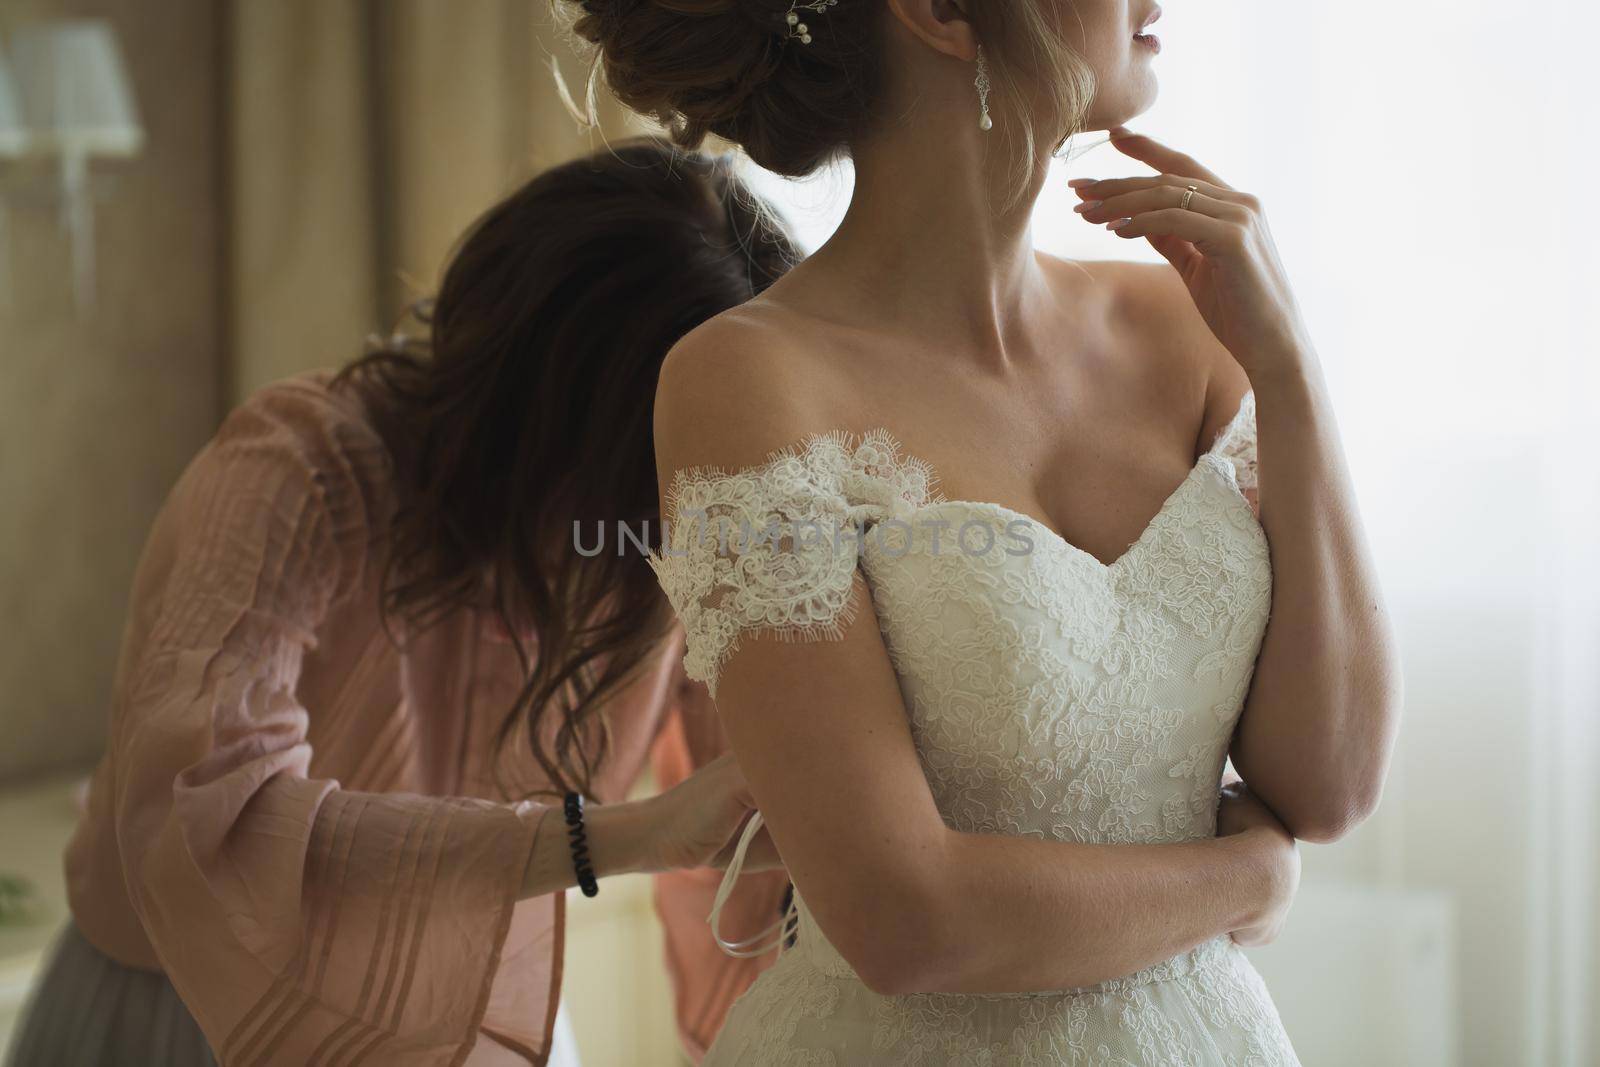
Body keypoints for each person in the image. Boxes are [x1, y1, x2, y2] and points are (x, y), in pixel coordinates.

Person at [561, 0, 1404, 1062]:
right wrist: (1248, 876)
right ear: (943, 12)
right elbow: (899, 918)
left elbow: (1328, 782)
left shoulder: (1194, 324)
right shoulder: (748, 384)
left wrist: (1291, 373)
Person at [3, 137, 791, 1067]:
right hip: (196, 1016)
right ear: (559, 412)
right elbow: (205, 820)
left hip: (466, 1015)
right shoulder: (304, 472)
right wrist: (607, 838)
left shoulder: (676, 535)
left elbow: (746, 852)